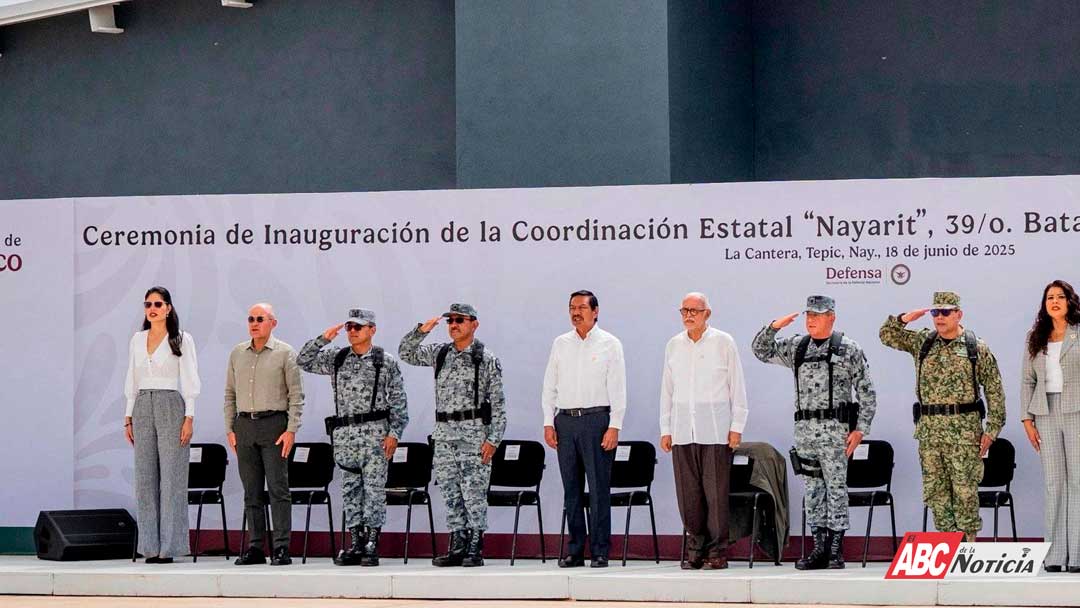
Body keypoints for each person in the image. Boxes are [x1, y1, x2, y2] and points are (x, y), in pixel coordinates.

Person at [752, 295, 876, 570]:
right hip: (805, 431)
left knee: (836, 489)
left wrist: (860, 430)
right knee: (813, 490)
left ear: (831, 317)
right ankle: (818, 548)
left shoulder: (848, 349)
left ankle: (835, 550)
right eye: (808, 314)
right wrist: (774, 326)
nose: (811, 320)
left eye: (817, 315)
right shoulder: (798, 346)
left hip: (835, 431)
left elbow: (867, 392)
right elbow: (760, 351)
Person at [880, 291, 1006, 543]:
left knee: (965, 492)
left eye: (946, 312)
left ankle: (967, 548)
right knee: (936, 493)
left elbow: (995, 391)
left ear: (959, 314)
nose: (940, 317)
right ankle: (948, 545)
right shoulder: (923, 342)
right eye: (935, 312)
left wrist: (992, 429)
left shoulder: (975, 347)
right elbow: (886, 335)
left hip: (964, 433)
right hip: (930, 433)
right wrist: (904, 318)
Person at [399, 303, 506, 567]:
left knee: (473, 493)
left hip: (473, 435)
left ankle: (475, 545)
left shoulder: (485, 358)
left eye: (460, 320)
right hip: (444, 435)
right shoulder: (441, 353)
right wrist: (421, 330)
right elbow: (406, 352)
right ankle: (457, 543)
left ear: (474, 324)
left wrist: (493, 439)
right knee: (450, 492)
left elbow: (499, 404)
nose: (454, 325)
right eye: (450, 321)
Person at [298, 308, 408, 567]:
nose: (352, 332)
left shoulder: (384, 361)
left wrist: (395, 434)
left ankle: (372, 542)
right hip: (345, 436)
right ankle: (356, 541)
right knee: (350, 491)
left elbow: (399, 401)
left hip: (374, 435)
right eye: (349, 327)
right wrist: (323, 339)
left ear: (372, 330)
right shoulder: (338, 358)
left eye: (358, 327)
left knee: (374, 491)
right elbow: (303, 360)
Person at [660, 292, 748, 570]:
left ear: (707, 314)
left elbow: (738, 386)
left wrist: (737, 427)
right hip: (683, 429)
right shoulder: (674, 345)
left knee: (716, 494)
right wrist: (666, 427)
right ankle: (695, 548)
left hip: (716, 430)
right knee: (688, 495)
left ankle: (717, 552)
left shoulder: (724, 342)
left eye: (694, 311)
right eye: (684, 310)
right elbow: (667, 390)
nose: (689, 315)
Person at [541, 290, 626, 568]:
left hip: (597, 420)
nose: (576, 312)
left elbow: (618, 389)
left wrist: (614, 425)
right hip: (565, 421)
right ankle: (575, 549)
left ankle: (600, 550)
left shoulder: (609, 343)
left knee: (599, 489)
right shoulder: (560, 343)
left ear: (596, 311)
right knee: (572, 489)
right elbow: (549, 385)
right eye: (571, 308)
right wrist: (547, 420)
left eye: (581, 307)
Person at [123, 286, 201, 563]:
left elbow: (190, 379)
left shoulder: (181, 338)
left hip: (171, 403)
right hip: (143, 403)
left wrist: (189, 417)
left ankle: (170, 547)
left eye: (158, 303)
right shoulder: (137, 339)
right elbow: (131, 378)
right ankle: (150, 547)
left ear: (168, 307)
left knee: (172, 478)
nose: (152, 308)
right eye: (148, 304)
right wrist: (128, 415)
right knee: (144, 478)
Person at [225, 303, 305, 566]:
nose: (254, 323)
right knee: (251, 491)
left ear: (273, 322)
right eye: (250, 319)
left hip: (275, 424)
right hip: (245, 425)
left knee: (278, 489)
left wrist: (291, 429)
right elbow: (230, 394)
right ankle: (256, 547)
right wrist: (230, 428)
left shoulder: (285, 353)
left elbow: (296, 395)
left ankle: (281, 547)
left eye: (260, 319)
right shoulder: (238, 353)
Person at [1020, 280, 1080, 572]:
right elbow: (1026, 381)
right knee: (1054, 483)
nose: (1054, 301)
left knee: (1078, 483)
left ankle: (1077, 556)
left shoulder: (1079, 334)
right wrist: (1026, 419)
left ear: (1070, 301)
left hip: (1077, 411)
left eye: (1060, 297)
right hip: (1045, 412)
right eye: (1049, 298)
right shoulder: (1036, 337)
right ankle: (1055, 555)